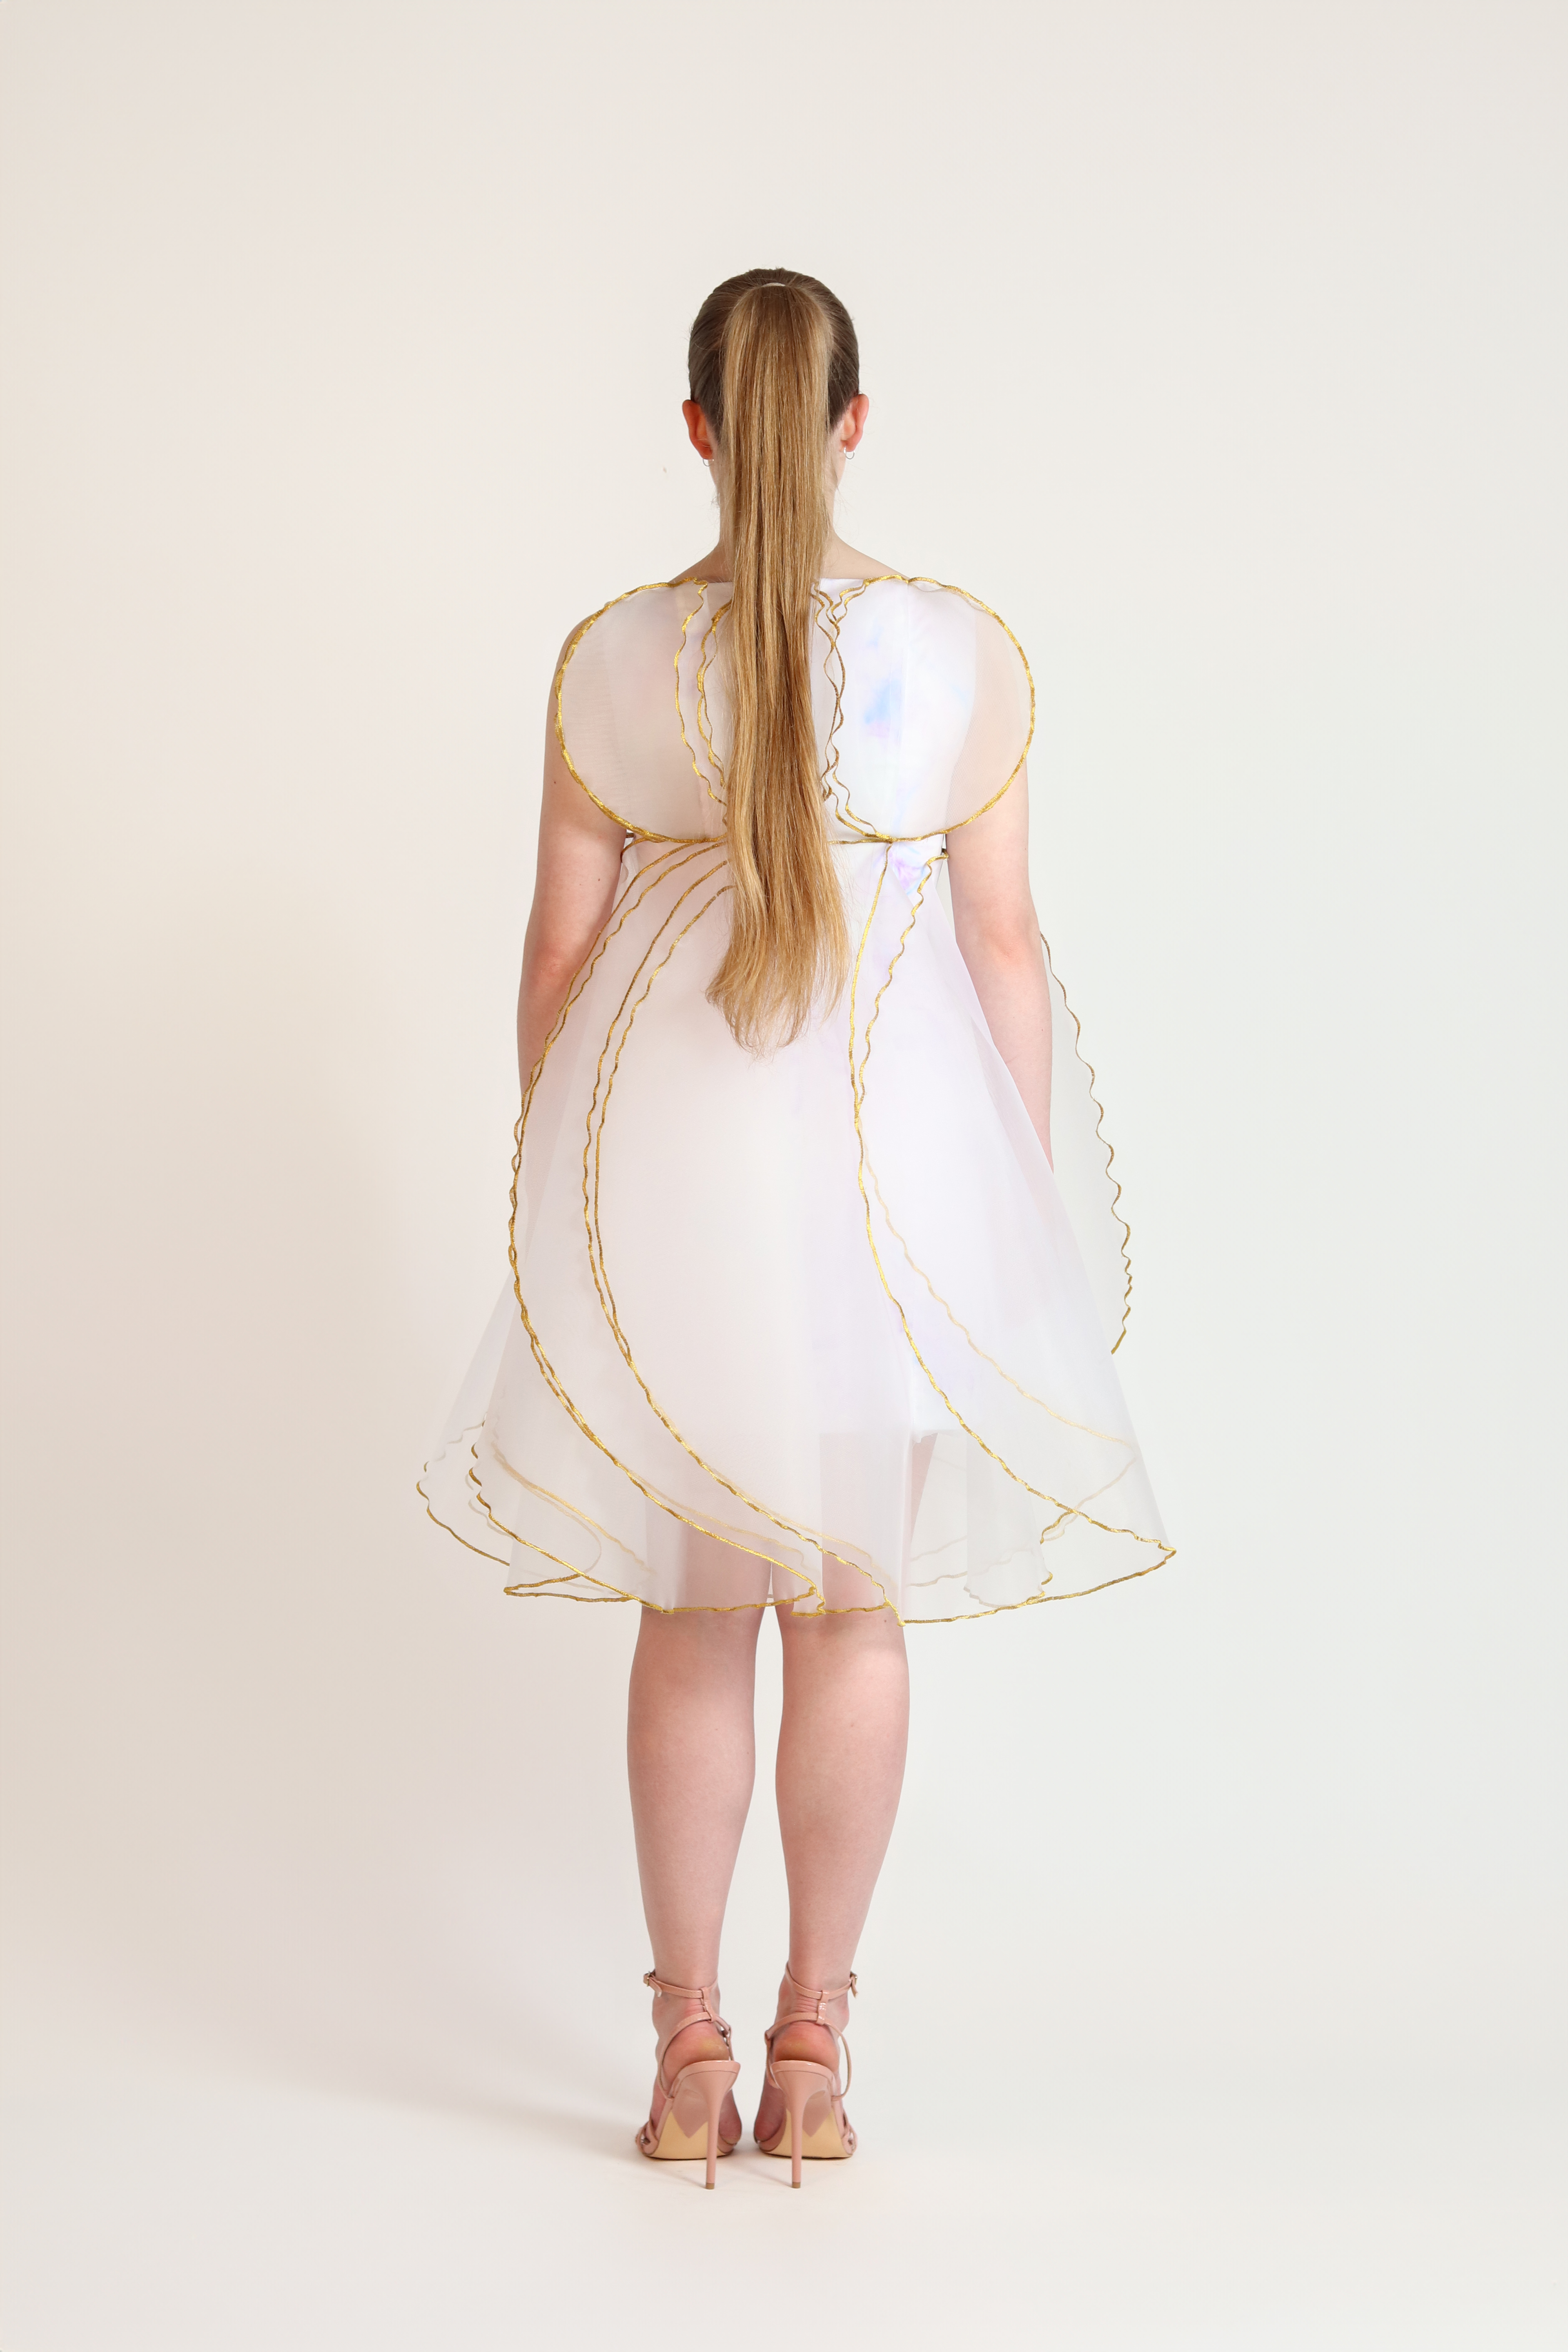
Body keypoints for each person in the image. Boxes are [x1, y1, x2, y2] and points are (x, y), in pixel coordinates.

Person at [421, 268, 1171, 2187]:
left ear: (696, 427)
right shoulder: (955, 651)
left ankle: (685, 2049)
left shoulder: (609, 658)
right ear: (853, 422)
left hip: (679, 1192)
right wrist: (1007, 1214)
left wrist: (570, 1205)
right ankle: (813, 2050)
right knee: (853, 1608)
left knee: (694, 1615)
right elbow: (1004, 948)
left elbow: (556, 965)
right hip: (892, 1180)